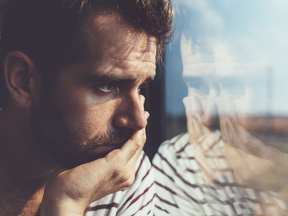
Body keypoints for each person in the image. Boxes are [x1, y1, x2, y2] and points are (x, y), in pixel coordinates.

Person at [0, 0, 173, 215]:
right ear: (24, 81)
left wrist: (68, 204)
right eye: (107, 86)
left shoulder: (124, 178)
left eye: (141, 87)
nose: (139, 120)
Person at [153, 0, 288, 215]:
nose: (208, 116)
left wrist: (278, 185)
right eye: (198, 86)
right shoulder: (178, 162)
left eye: (233, 87)